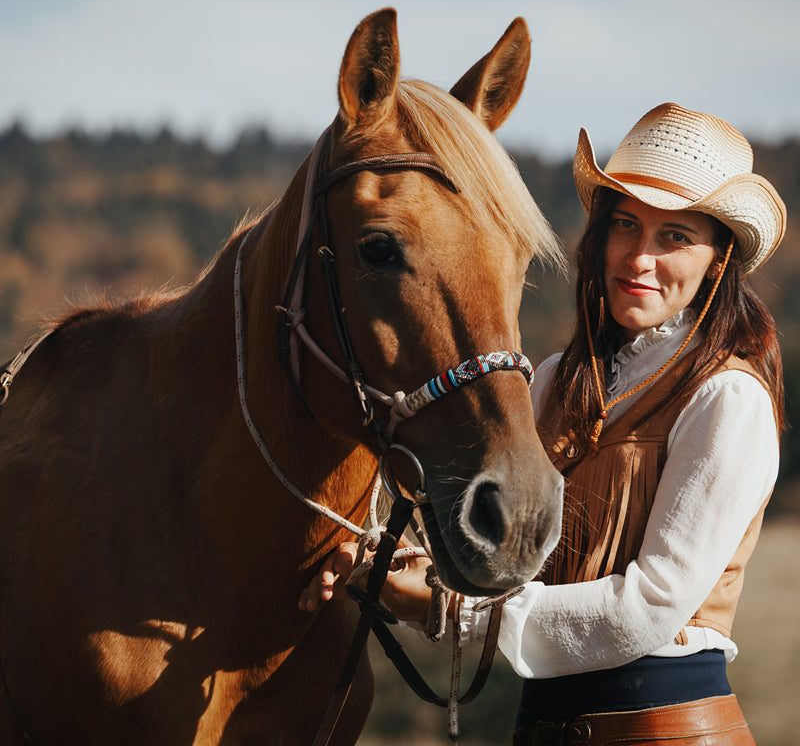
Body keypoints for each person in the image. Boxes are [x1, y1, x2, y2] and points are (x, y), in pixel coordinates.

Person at [299, 102, 787, 745]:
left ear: (717, 259)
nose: (640, 258)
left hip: (666, 730)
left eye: (675, 236)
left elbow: (650, 606)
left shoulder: (728, 397)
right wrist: (387, 567)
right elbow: (502, 555)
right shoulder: (556, 379)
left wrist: (455, 611)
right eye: (626, 225)